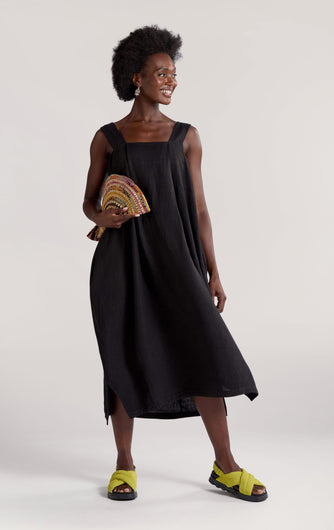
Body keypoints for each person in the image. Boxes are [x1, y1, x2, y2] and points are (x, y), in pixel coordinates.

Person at [82, 24, 268, 502]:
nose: (171, 80)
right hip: (120, 266)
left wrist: (213, 270)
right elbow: (88, 203)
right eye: (161, 72)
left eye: (173, 72)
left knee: (204, 351)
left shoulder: (186, 137)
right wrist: (104, 214)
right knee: (121, 356)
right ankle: (124, 464)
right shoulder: (107, 139)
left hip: (178, 260)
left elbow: (201, 209)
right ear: (135, 78)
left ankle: (226, 466)